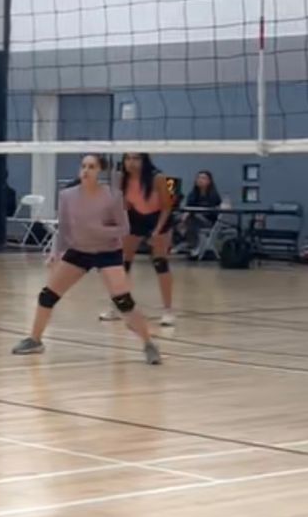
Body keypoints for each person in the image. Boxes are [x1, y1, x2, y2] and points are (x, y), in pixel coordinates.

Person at [13, 154, 163, 364]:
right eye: (83, 166)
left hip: (107, 252)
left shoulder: (112, 196)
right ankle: (35, 340)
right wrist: (55, 253)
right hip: (79, 251)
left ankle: (149, 344)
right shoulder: (67, 195)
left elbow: (124, 228)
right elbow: (64, 228)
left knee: (124, 302)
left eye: (91, 167)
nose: (86, 170)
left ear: (99, 171)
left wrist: (101, 230)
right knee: (47, 296)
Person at [104, 151, 177, 327]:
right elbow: (123, 205)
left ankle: (168, 311)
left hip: (158, 217)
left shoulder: (158, 178)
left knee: (160, 263)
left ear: (144, 160)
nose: (131, 162)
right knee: (122, 263)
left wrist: (157, 231)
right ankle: (117, 305)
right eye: (128, 158)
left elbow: (168, 206)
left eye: (136, 158)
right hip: (136, 216)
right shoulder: (122, 178)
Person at [176, 170, 226, 256]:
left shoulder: (213, 196)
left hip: (208, 221)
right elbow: (188, 207)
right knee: (176, 218)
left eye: (203, 178)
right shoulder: (192, 194)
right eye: (198, 178)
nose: (200, 180)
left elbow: (214, 212)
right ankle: (188, 242)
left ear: (209, 181)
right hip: (192, 220)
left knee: (192, 217)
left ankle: (192, 245)